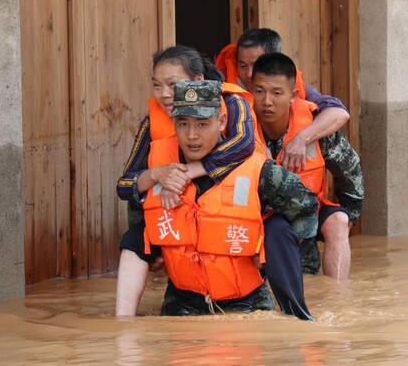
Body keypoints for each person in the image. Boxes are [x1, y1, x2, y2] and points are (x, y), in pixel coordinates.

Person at [116, 46, 313, 319]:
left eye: (202, 124)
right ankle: (122, 328)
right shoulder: (159, 160)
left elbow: (306, 207)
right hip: (182, 303)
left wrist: (273, 255)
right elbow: (136, 209)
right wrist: (155, 246)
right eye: (183, 124)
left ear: (221, 121)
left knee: (278, 230)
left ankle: (296, 313)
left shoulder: (257, 167)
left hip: (247, 303)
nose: (192, 135)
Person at [250, 52, 364, 280]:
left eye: (276, 93)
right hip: (257, 217)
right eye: (260, 91)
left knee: (339, 222)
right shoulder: (241, 126)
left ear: (293, 95)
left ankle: (338, 295)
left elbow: (350, 171)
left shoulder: (314, 127)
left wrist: (350, 214)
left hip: (310, 211)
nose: (267, 101)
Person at [216, 28, 349, 172]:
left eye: (256, 64)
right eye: (242, 65)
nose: (249, 74)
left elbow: (339, 113)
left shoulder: (293, 88)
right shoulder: (227, 92)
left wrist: (301, 139)